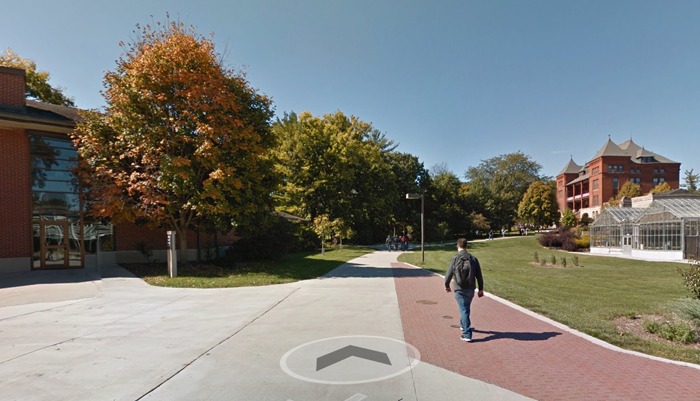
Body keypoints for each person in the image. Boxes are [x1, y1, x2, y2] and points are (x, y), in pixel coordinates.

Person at [444, 238, 484, 342]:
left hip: (459, 288)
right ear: (466, 246)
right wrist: (481, 289)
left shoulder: (455, 258)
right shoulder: (473, 259)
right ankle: (463, 325)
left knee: (464, 309)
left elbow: (448, 274)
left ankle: (467, 334)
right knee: (465, 308)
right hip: (470, 288)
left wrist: (447, 285)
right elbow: (479, 275)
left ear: (458, 245)